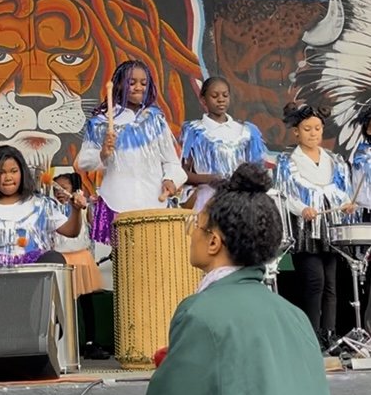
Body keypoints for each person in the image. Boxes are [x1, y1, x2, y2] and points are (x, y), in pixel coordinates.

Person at [145, 163, 334, 395]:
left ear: (214, 242)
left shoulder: (199, 314)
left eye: (195, 224)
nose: (190, 235)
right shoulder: (296, 316)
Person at [77, 60, 187, 244]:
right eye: (132, 82)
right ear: (119, 84)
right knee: (122, 265)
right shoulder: (101, 122)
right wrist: (103, 153)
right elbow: (83, 162)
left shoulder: (155, 119)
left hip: (154, 203)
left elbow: (172, 162)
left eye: (144, 83)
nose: (139, 88)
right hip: (117, 202)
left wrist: (170, 179)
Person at [273, 102, 356, 348]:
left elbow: (341, 190)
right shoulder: (288, 161)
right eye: (307, 129)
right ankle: (311, 333)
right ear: (296, 132)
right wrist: (302, 209)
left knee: (331, 283)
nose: (313, 133)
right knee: (314, 281)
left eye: (317, 128)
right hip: (306, 231)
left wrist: (346, 203)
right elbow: (283, 194)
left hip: (328, 228)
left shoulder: (334, 160)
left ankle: (328, 333)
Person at [0, 145, 81, 275]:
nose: (8, 177)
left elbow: (71, 232)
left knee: (54, 259)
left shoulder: (41, 203)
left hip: (32, 272)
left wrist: (76, 210)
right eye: (0, 172)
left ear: (22, 172)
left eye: (13, 171)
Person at [180, 76, 267, 212]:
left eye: (225, 95)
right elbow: (183, 173)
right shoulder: (194, 131)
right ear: (203, 100)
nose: (221, 99)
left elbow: (257, 169)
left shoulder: (246, 131)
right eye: (214, 96)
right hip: (209, 199)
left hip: (240, 201)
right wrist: (209, 179)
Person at [50, 172, 109, 360]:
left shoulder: (82, 207)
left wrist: (88, 204)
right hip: (60, 259)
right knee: (61, 304)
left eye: (63, 188)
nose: (59, 192)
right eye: (55, 189)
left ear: (74, 190)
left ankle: (90, 342)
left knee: (86, 303)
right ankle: (62, 342)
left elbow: (93, 222)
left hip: (82, 258)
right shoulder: (50, 209)